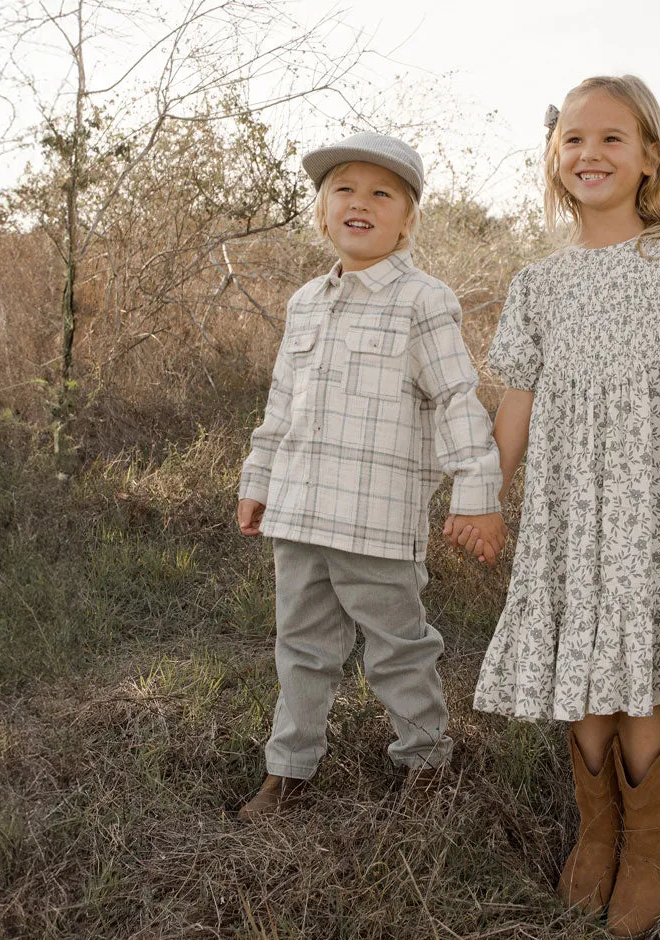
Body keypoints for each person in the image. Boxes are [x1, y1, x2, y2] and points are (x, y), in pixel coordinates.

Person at [448, 76, 660, 937]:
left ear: (648, 159)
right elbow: (516, 401)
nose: (589, 154)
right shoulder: (538, 282)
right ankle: (596, 834)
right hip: (570, 502)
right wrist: (484, 494)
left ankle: (649, 847)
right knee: (585, 660)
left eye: (610, 139)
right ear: (554, 160)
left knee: (642, 661)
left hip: (657, 493)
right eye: (572, 140)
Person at [236, 132, 507, 820]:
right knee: (300, 645)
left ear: (407, 219)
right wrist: (258, 478)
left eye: (382, 193)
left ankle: (425, 763)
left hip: (376, 519)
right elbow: (280, 405)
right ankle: (289, 768)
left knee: (397, 649)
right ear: (322, 211)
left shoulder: (422, 299)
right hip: (298, 513)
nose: (360, 202)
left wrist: (477, 495)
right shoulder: (306, 302)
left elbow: (455, 398)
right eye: (343, 190)